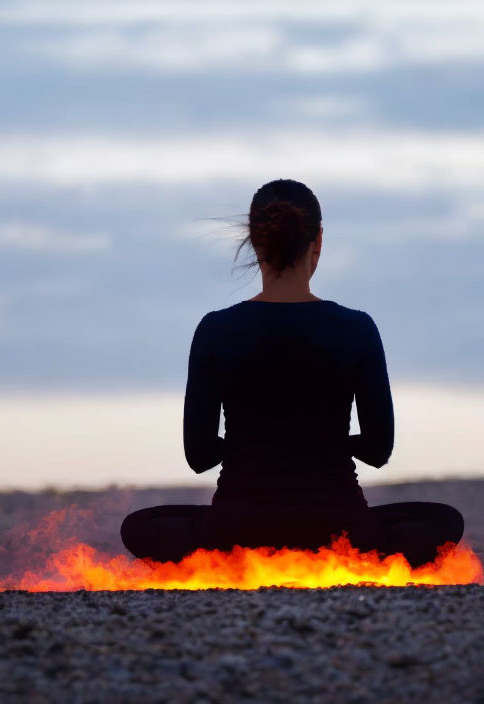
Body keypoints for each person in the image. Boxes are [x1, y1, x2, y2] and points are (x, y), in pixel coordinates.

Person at [120, 178, 464, 569]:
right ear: (318, 240)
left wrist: (255, 444)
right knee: (444, 521)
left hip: (235, 534)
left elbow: (197, 455)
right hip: (340, 532)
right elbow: (378, 448)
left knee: (141, 525)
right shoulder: (356, 328)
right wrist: (320, 442)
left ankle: (238, 558)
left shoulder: (215, 329)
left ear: (254, 241)